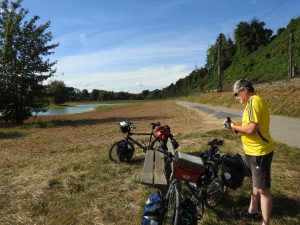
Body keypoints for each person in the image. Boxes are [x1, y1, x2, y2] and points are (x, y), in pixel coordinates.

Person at [224, 79, 274, 225]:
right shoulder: (250, 104)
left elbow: (251, 129)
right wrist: (232, 125)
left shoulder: (253, 103)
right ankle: (252, 211)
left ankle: (265, 222)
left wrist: (233, 125)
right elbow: (247, 126)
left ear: (244, 90)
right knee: (255, 183)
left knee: (263, 190)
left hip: (259, 153)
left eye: (236, 94)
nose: (236, 97)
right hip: (252, 152)